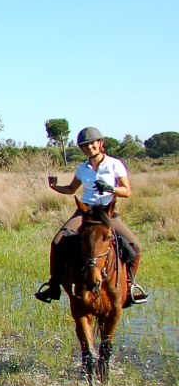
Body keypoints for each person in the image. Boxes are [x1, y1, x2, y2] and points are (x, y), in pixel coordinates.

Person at [34, 127, 148, 307]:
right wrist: (55, 187)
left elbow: (127, 191)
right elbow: (71, 189)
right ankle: (54, 285)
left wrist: (111, 189)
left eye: (92, 143)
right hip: (85, 212)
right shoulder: (82, 168)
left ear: (100, 144)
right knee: (57, 242)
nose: (89, 147)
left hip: (106, 213)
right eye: (85, 145)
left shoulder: (115, 164)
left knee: (136, 246)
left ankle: (130, 286)